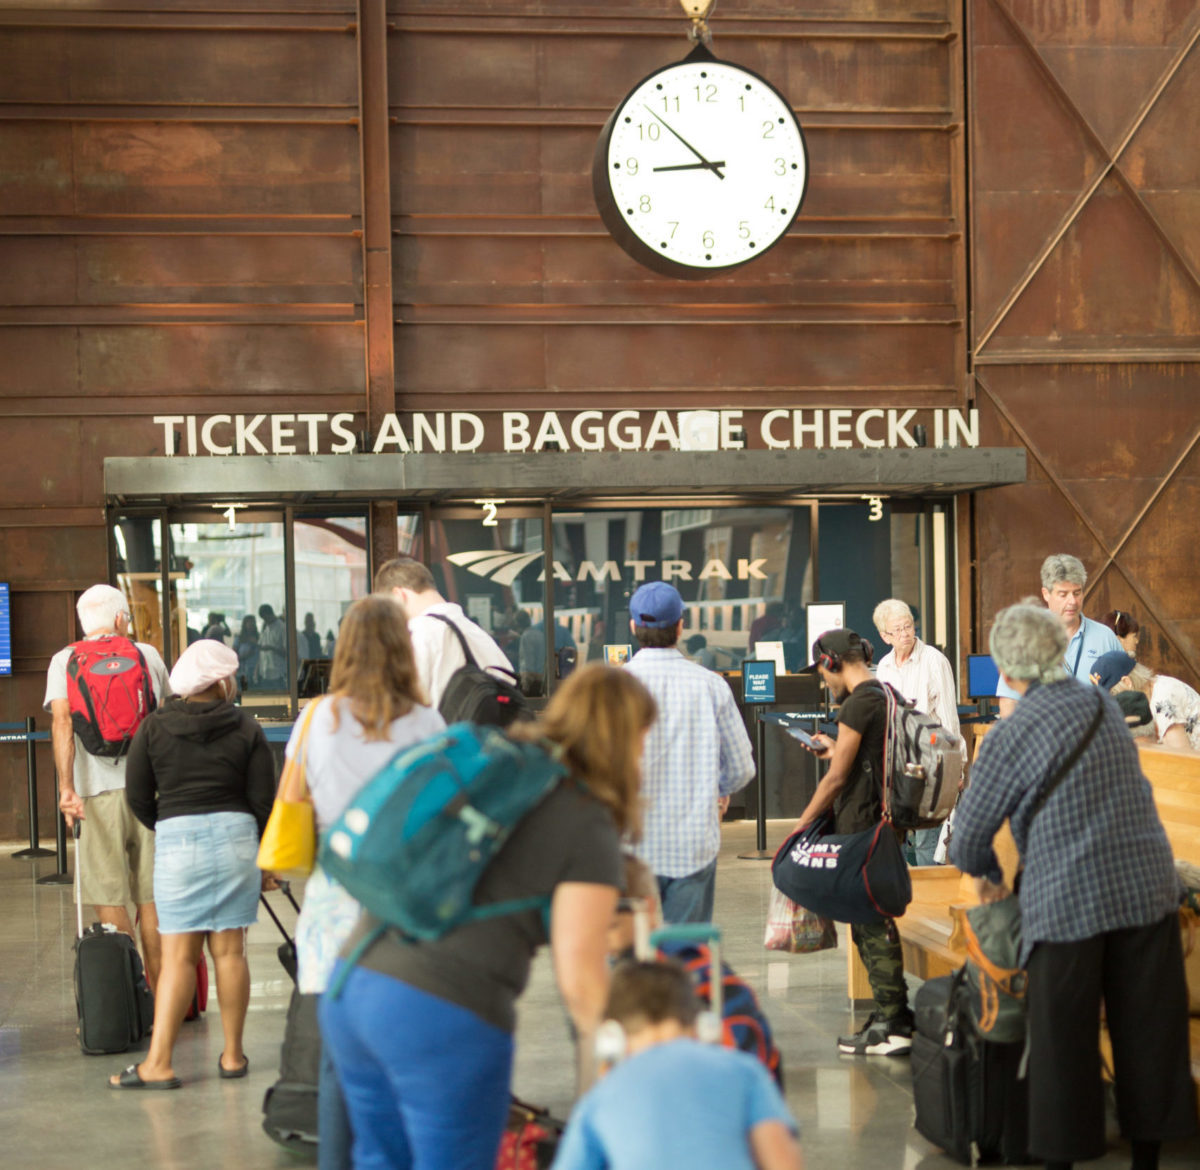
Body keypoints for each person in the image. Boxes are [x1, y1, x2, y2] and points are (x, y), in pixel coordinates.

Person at [319, 664, 655, 1170]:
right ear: (623, 739)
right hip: (440, 1015)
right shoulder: (584, 817)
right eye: (643, 741)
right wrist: (645, 1071)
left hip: (354, 983)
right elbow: (582, 981)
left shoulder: (505, 770)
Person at [949, 603, 1196, 1169]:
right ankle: (1148, 1160)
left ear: (1007, 673)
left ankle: (1063, 1158)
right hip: (1148, 891)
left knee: (1064, 1043)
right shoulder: (1101, 708)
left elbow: (967, 841)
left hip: (1066, 904)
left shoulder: (1010, 735)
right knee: (1149, 1035)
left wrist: (994, 878)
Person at [289, 595, 445, 1169]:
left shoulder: (315, 719)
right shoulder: (427, 723)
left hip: (335, 902)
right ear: (403, 649)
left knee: (339, 1063)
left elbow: (294, 802)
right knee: (412, 1056)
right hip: (405, 903)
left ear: (345, 649)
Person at [111, 640, 275, 1090]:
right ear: (223, 682)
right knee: (230, 951)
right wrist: (253, 849)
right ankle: (233, 1056)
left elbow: (139, 798)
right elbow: (264, 801)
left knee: (180, 956)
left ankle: (159, 1064)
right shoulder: (246, 727)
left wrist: (170, 824)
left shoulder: (153, 727)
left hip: (178, 839)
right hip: (237, 838)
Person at [551, 960, 803, 1170]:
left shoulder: (599, 1099)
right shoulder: (744, 1071)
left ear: (612, 1038)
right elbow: (783, 1163)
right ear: (702, 1026)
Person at [791, 628, 913, 1056]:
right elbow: (861, 759)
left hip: (861, 826)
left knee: (870, 923)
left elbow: (838, 778)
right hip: (881, 822)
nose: (824, 681)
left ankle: (894, 1022)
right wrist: (834, 747)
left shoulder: (858, 702)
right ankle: (890, 1016)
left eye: (823, 672)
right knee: (870, 921)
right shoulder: (883, 693)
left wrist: (800, 826)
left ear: (832, 662)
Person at [44, 583, 171, 992]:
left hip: (94, 794)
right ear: (120, 619)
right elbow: (165, 719)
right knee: (151, 897)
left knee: (109, 893)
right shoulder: (146, 655)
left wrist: (67, 788)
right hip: (149, 792)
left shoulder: (64, 661)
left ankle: (132, 999)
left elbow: (62, 724)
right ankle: (165, 998)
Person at [624, 582, 754, 924]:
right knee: (686, 958)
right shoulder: (710, 685)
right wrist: (720, 792)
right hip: (693, 844)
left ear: (633, 626)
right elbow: (742, 767)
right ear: (680, 627)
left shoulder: (613, 686)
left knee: (629, 958)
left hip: (628, 849)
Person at [872, 598, 961, 865]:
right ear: (884, 636)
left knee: (925, 844)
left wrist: (957, 768)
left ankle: (929, 904)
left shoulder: (934, 661)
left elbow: (948, 719)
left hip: (931, 764)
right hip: (897, 768)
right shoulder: (885, 666)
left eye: (908, 626)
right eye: (896, 630)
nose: (904, 635)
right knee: (897, 841)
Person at [374, 557, 513, 708]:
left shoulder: (418, 634)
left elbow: (403, 709)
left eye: (389, 610)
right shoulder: (479, 635)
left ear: (398, 595)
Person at [996, 555, 1121, 718]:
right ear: (1046, 594)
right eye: (1063, 594)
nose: (1073, 602)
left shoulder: (1105, 637)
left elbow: (1128, 694)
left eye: (1077, 593)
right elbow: (1009, 702)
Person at [1095, 652, 1200, 753]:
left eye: (1112, 695)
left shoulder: (1163, 700)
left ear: (1127, 682)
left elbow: (1181, 756)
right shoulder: (1154, 688)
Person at [256, 603, 288, 691]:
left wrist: (271, 648)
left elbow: (287, 652)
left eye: (265, 617)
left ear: (270, 614)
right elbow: (261, 651)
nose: (264, 620)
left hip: (278, 674)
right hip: (265, 673)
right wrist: (257, 670)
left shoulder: (282, 628)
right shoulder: (265, 628)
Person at [235, 614, 259, 692]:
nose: (251, 625)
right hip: (242, 672)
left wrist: (256, 643)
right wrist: (246, 656)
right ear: (244, 625)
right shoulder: (239, 638)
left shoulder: (259, 637)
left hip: (256, 672)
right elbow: (234, 656)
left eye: (253, 623)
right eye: (249, 623)